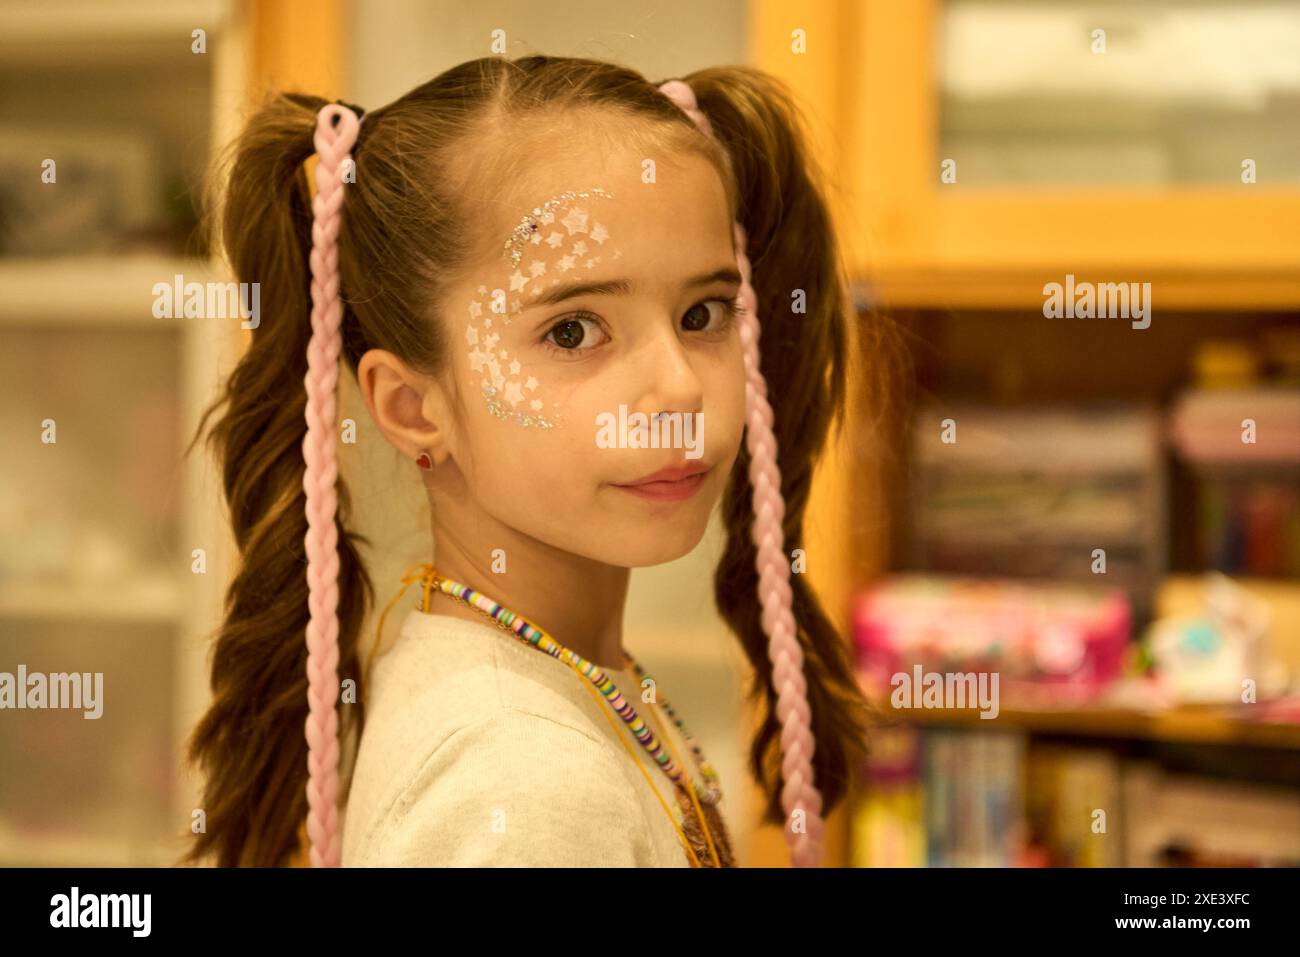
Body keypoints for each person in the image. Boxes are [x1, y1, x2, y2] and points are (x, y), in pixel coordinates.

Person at [182, 54, 873, 868]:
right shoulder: (531, 787)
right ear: (412, 408)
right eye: (575, 330)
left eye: (702, 312)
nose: (680, 385)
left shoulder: (548, 685)